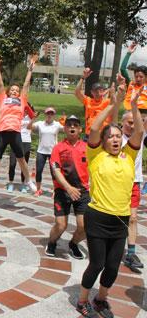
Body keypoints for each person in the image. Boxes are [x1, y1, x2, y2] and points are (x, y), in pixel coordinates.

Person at [76, 82, 143, 318]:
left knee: (113, 267)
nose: (115, 140)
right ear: (104, 141)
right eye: (111, 137)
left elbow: (139, 132)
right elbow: (94, 127)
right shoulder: (95, 154)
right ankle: (82, 300)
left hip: (120, 219)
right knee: (97, 264)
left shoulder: (129, 155)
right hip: (98, 216)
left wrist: (133, 106)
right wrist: (113, 104)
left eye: (118, 136)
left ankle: (101, 299)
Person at [0, 56, 37, 195]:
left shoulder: (22, 100)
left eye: (16, 90)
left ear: (19, 94)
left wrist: (30, 70)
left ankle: (28, 181)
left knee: (21, 159)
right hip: (2, 131)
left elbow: (26, 85)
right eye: (12, 90)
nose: (14, 91)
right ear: (8, 92)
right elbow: (1, 84)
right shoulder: (3, 99)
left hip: (15, 132)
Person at [45, 115, 90, 260]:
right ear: (64, 129)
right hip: (63, 191)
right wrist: (68, 188)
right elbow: (56, 170)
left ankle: (73, 244)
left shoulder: (87, 147)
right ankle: (52, 242)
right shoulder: (58, 148)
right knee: (60, 225)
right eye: (69, 125)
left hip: (82, 192)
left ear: (80, 129)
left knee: (84, 226)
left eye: (75, 125)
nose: (72, 127)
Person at [115, 108, 147, 273]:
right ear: (122, 123)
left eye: (135, 123)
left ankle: (131, 253)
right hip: (118, 182)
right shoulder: (115, 138)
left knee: (133, 218)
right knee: (117, 216)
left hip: (134, 182)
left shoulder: (140, 136)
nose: (133, 126)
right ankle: (110, 247)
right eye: (129, 123)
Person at [30, 107, 64, 196]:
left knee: (54, 172)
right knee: (39, 171)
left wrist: (65, 122)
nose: (49, 115)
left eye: (51, 113)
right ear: (45, 114)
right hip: (41, 151)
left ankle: (55, 190)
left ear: (54, 115)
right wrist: (33, 118)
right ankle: (38, 189)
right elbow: (29, 127)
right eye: (48, 113)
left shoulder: (57, 124)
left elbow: (66, 130)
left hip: (53, 152)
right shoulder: (40, 124)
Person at [74, 67, 111, 139]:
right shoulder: (88, 101)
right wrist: (83, 78)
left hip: (102, 136)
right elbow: (77, 92)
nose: (97, 93)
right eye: (95, 91)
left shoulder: (107, 102)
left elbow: (120, 97)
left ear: (103, 91)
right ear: (91, 92)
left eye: (100, 90)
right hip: (89, 135)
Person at [7, 103, 35, 193]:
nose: (25, 110)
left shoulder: (31, 117)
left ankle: (23, 184)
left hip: (26, 141)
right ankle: (11, 183)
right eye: (24, 108)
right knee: (12, 163)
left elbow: (32, 127)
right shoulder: (17, 116)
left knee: (24, 164)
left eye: (27, 109)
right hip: (15, 140)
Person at [120, 42, 147, 111]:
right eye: (136, 76)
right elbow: (122, 69)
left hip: (143, 113)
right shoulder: (131, 84)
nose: (138, 79)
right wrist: (129, 53)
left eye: (141, 77)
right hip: (129, 112)